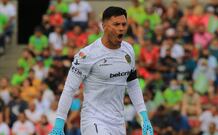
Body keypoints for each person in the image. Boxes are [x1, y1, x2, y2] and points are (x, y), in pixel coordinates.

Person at [49, 6, 153, 135]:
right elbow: (69, 89)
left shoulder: (129, 50)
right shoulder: (87, 55)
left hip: (118, 122)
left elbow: (132, 84)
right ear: (104, 26)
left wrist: (144, 117)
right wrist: (59, 124)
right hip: (93, 120)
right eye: (116, 24)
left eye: (124, 24)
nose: (121, 28)